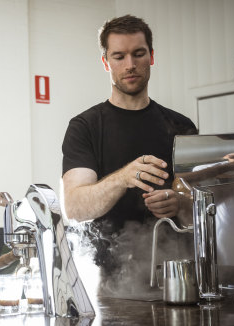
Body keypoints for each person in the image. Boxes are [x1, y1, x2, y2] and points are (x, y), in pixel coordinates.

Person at [61, 15, 197, 274]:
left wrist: (178, 203)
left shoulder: (181, 126)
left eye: (138, 54)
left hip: (176, 275)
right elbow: (75, 207)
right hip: (110, 279)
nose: (130, 65)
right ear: (105, 62)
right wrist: (123, 178)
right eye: (119, 56)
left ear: (152, 57)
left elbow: (200, 207)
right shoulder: (85, 127)